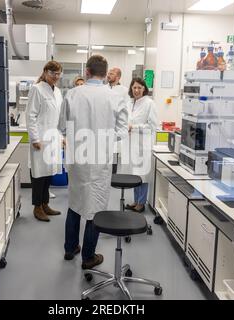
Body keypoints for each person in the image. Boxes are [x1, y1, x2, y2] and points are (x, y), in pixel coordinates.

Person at [59, 55, 128, 269]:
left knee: (75, 203)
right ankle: (88, 256)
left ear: (87, 72)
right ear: (105, 73)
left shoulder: (72, 94)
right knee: (95, 208)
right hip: (100, 159)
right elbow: (122, 130)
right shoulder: (114, 97)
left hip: (78, 158)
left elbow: (61, 127)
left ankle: (70, 248)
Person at [27, 61, 64, 222]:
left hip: (53, 138)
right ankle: (37, 207)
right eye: (52, 73)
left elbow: (59, 117)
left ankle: (45, 203)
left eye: (58, 74)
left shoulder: (58, 92)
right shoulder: (37, 89)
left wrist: (62, 137)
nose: (55, 76)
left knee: (48, 173)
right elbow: (31, 115)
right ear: (45, 72)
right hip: (41, 139)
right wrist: (35, 138)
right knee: (39, 175)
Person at [124, 78, 158, 213]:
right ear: (131, 89)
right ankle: (136, 201)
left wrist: (134, 127)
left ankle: (141, 203)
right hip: (131, 144)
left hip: (143, 144)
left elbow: (152, 126)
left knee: (142, 175)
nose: (136, 90)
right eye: (134, 87)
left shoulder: (150, 103)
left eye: (139, 87)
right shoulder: (130, 102)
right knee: (134, 174)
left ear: (144, 89)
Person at [107, 67, 130, 173]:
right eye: (108, 73)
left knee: (114, 154)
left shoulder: (124, 91)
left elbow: (127, 109)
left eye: (111, 74)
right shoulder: (104, 88)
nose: (108, 75)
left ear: (118, 77)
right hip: (104, 125)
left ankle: (113, 177)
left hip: (116, 126)